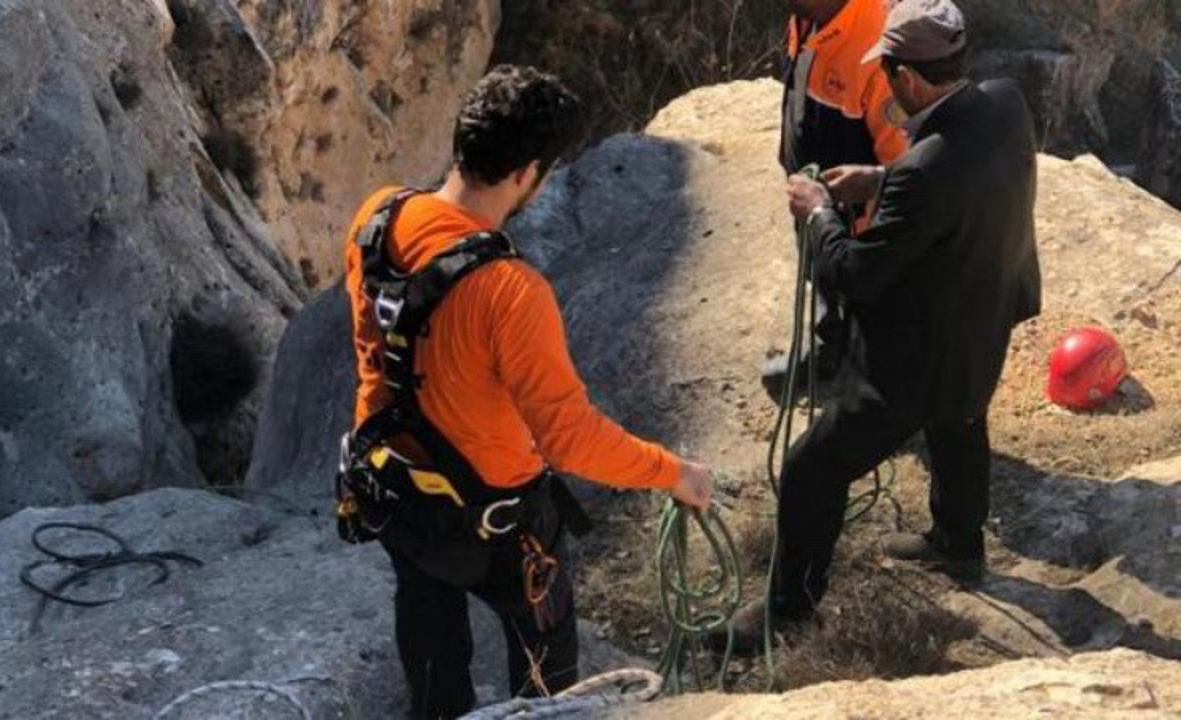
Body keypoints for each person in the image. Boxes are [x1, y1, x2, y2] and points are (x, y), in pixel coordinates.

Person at [340, 65, 714, 718]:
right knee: (544, 679)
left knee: (429, 634)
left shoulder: (376, 218)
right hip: (496, 519)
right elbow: (569, 440)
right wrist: (671, 471)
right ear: (528, 176)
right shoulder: (510, 291)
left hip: (394, 486)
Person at [724, 0, 1042, 653]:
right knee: (962, 414)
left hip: (917, 352)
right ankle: (958, 540)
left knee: (812, 465)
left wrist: (819, 214)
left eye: (889, 72)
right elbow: (957, 181)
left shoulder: (922, 175)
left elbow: (856, 274)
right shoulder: (1006, 103)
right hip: (986, 314)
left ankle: (789, 611)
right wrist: (879, 178)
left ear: (907, 80)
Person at [763, 0, 911, 402]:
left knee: (872, 299)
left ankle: (876, 385)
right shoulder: (811, 15)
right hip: (817, 188)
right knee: (822, 271)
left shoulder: (881, 45)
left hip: (861, 219)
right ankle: (833, 347)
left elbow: (909, 168)